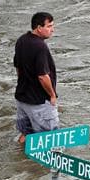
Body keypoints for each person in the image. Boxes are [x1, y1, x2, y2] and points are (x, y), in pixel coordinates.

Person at [14, 12, 59, 145]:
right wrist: (52, 95)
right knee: (49, 140)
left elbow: (18, 67)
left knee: (26, 134)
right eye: (49, 26)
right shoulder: (40, 47)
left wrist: (24, 83)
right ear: (39, 28)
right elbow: (42, 76)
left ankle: (19, 161)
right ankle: (42, 166)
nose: (52, 29)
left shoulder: (21, 40)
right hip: (38, 102)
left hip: (22, 98)